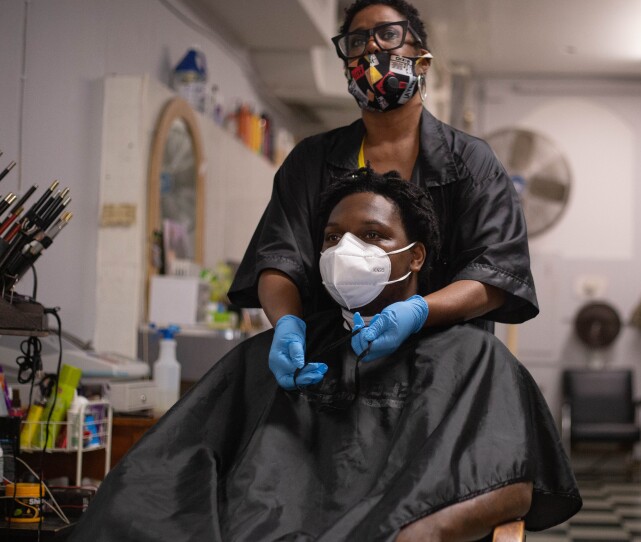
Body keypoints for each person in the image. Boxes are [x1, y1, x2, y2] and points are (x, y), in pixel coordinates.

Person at [69, 168, 580, 541]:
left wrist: (418, 535)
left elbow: (515, 484)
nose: (346, 250)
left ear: (416, 255)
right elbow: (168, 472)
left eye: (373, 235)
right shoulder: (278, 354)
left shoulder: (471, 358)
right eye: (333, 238)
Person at [228, 0, 537, 390]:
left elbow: (497, 271)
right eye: (357, 40)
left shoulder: (470, 163)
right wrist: (288, 324)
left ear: (422, 62)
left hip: (445, 370)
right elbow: (279, 257)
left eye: (389, 34)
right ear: (346, 69)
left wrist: (420, 312)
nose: (372, 48)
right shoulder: (311, 161)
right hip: (333, 362)